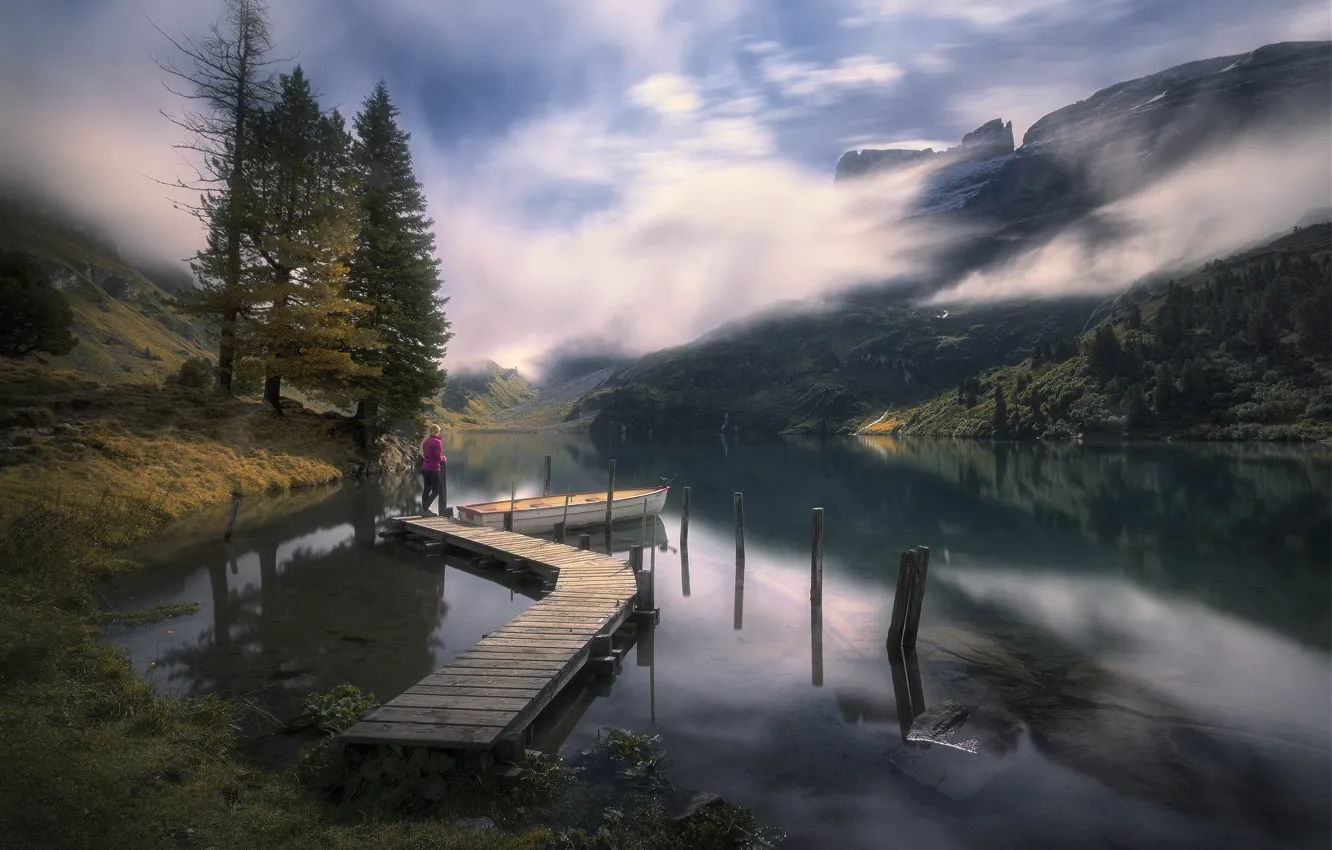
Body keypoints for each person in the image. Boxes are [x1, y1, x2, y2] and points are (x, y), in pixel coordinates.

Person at [420, 424, 445, 514]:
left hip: (424, 468)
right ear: (438, 431)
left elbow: (427, 454)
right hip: (433, 469)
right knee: (436, 490)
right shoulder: (437, 442)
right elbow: (437, 457)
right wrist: (442, 458)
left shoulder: (426, 441)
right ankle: (426, 507)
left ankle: (425, 510)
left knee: (426, 489)